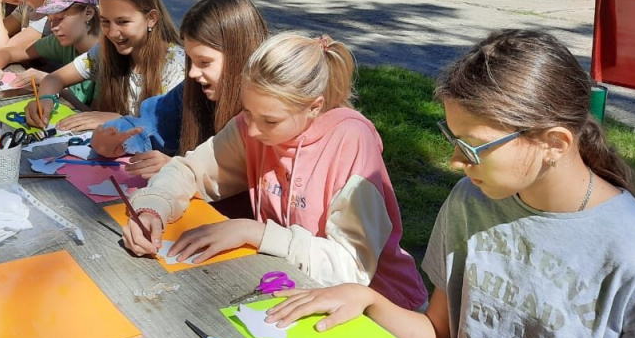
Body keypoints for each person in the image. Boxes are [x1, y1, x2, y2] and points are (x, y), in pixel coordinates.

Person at [264, 30, 635, 338]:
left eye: (473, 147)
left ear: (554, 144)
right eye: (453, 139)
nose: (455, 161)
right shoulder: (470, 200)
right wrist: (368, 300)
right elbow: (440, 337)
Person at [122, 32, 428, 310]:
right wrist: (154, 207)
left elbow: (351, 268)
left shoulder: (351, 142)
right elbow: (190, 170)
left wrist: (255, 232)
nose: (252, 131)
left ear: (314, 107)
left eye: (269, 121)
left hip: (383, 311)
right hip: (299, 291)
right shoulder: (252, 126)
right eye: (248, 112)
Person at [91, 0, 269, 178]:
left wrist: (181, 169)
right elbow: (147, 123)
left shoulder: (272, 111)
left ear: (239, 58)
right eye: (190, 61)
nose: (192, 73)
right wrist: (108, 138)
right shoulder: (191, 91)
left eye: (204, 62)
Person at [24, 0, 186, 131]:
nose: (113, 33)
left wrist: (119, 120)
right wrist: (45, 98)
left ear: (151, 18)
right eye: (105, 22)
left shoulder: (176, 66)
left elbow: (169, 132)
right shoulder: (104, 51)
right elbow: (55, 79)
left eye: (123, 22)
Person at [0, 0, 100, 104]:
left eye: (61, 18)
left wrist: (52, 83)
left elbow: (98, 116)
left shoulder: (107, 56)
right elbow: (6, 53)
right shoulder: (60, 42)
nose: (54, 27)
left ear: (88, 13)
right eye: (50, 20)